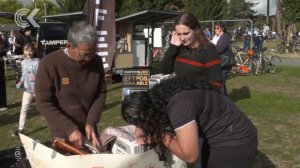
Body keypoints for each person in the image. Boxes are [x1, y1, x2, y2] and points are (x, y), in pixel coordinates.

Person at [121, 77, 258, 168]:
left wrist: (160, 135)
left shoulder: (180, 107)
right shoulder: (161, 96)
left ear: (148, 116)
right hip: (231, 134)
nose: (139, 129)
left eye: (140, 124)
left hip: (235, 144)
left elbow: (190, 155)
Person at [35, 21, 107, 148]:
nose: (89, 59)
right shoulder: (49, 64)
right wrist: (69, 128)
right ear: (69, 46)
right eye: (84, 55)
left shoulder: (97, 61)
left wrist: (91, 121)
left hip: (89, 130)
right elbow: (43, 103)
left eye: (93, 53)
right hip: (62, 132)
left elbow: (100, 94)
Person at [160, 12, 222, 90]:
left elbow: (216, 84)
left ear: (196, 30)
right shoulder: (178, 48)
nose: (182, 38)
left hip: (199, 98)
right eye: (179, 34)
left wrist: (191, 91)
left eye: (186, 33)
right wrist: (173, 46)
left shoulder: (208, 50)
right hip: (179, 97)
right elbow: (164, 70)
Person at [11, 43, 40, 137]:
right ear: (24, 51)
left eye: (30, 50)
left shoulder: (37, 61)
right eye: (26, 50)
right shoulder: (23, 62)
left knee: (45, 109)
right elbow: (23, 75)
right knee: (23, 109)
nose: (28, 53)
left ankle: (56, 127)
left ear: (33, 51)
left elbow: (42, 76)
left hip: (38, 90)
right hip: (27, 90)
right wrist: (20, 82)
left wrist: (36, 78)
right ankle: (21, 129)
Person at [211, 22, 232, 96]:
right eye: (215, 28)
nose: (215, 30)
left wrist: (210, 44)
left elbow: (219, 49)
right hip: (217, 63)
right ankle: (225, 101)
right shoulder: (216, 37)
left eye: (217, 28)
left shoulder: (224, 37)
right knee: (220, 84)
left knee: (220, 84)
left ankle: (223, 102)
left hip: (223, 64)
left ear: (222, 29)